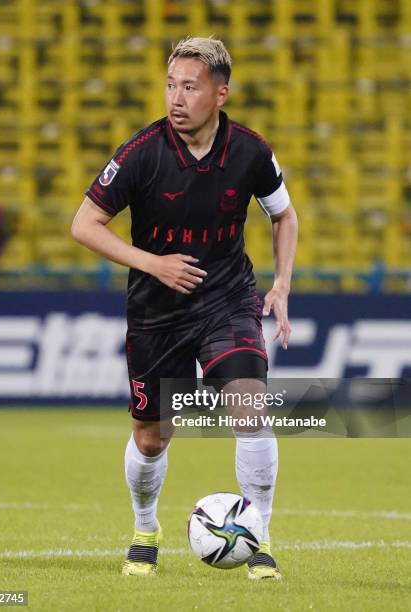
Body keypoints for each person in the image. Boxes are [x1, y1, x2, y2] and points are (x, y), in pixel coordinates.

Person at [72, 37, 298, 580]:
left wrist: (282, 285)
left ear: (220, 93)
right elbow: (84, 225)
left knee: (250, 408)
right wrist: (153, 264)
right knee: (151, 437)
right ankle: (145, 531)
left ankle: (261, 540)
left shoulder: (249, 150)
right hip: (157, 312)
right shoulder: (141, 152)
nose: (176, 97)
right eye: (171, 84)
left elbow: (283, 216)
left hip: (227, 300)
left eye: (189, 86)